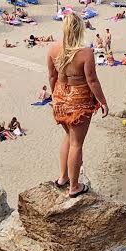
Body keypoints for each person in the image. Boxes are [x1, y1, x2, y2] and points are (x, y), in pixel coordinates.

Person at [48, 14, 109, 198]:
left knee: (68, 137)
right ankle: (74, 187)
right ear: (79, 29)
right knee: (76, 143)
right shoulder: (85, 53)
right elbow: (91, 80)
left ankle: (63, 178)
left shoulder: (53, 48)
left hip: (60, 97)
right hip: (78, 101)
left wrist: (56, 97)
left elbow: (52, 77)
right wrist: (103, 102)